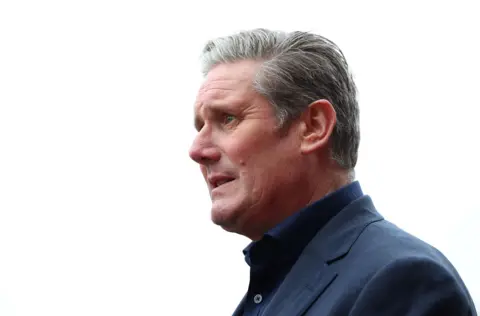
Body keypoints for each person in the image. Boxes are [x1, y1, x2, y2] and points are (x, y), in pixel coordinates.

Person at [188, 28, 477, 316]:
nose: (197, 150)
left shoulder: (404, 279)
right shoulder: (275, 285)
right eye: (200, 126)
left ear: (313, 127)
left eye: (228, 119)